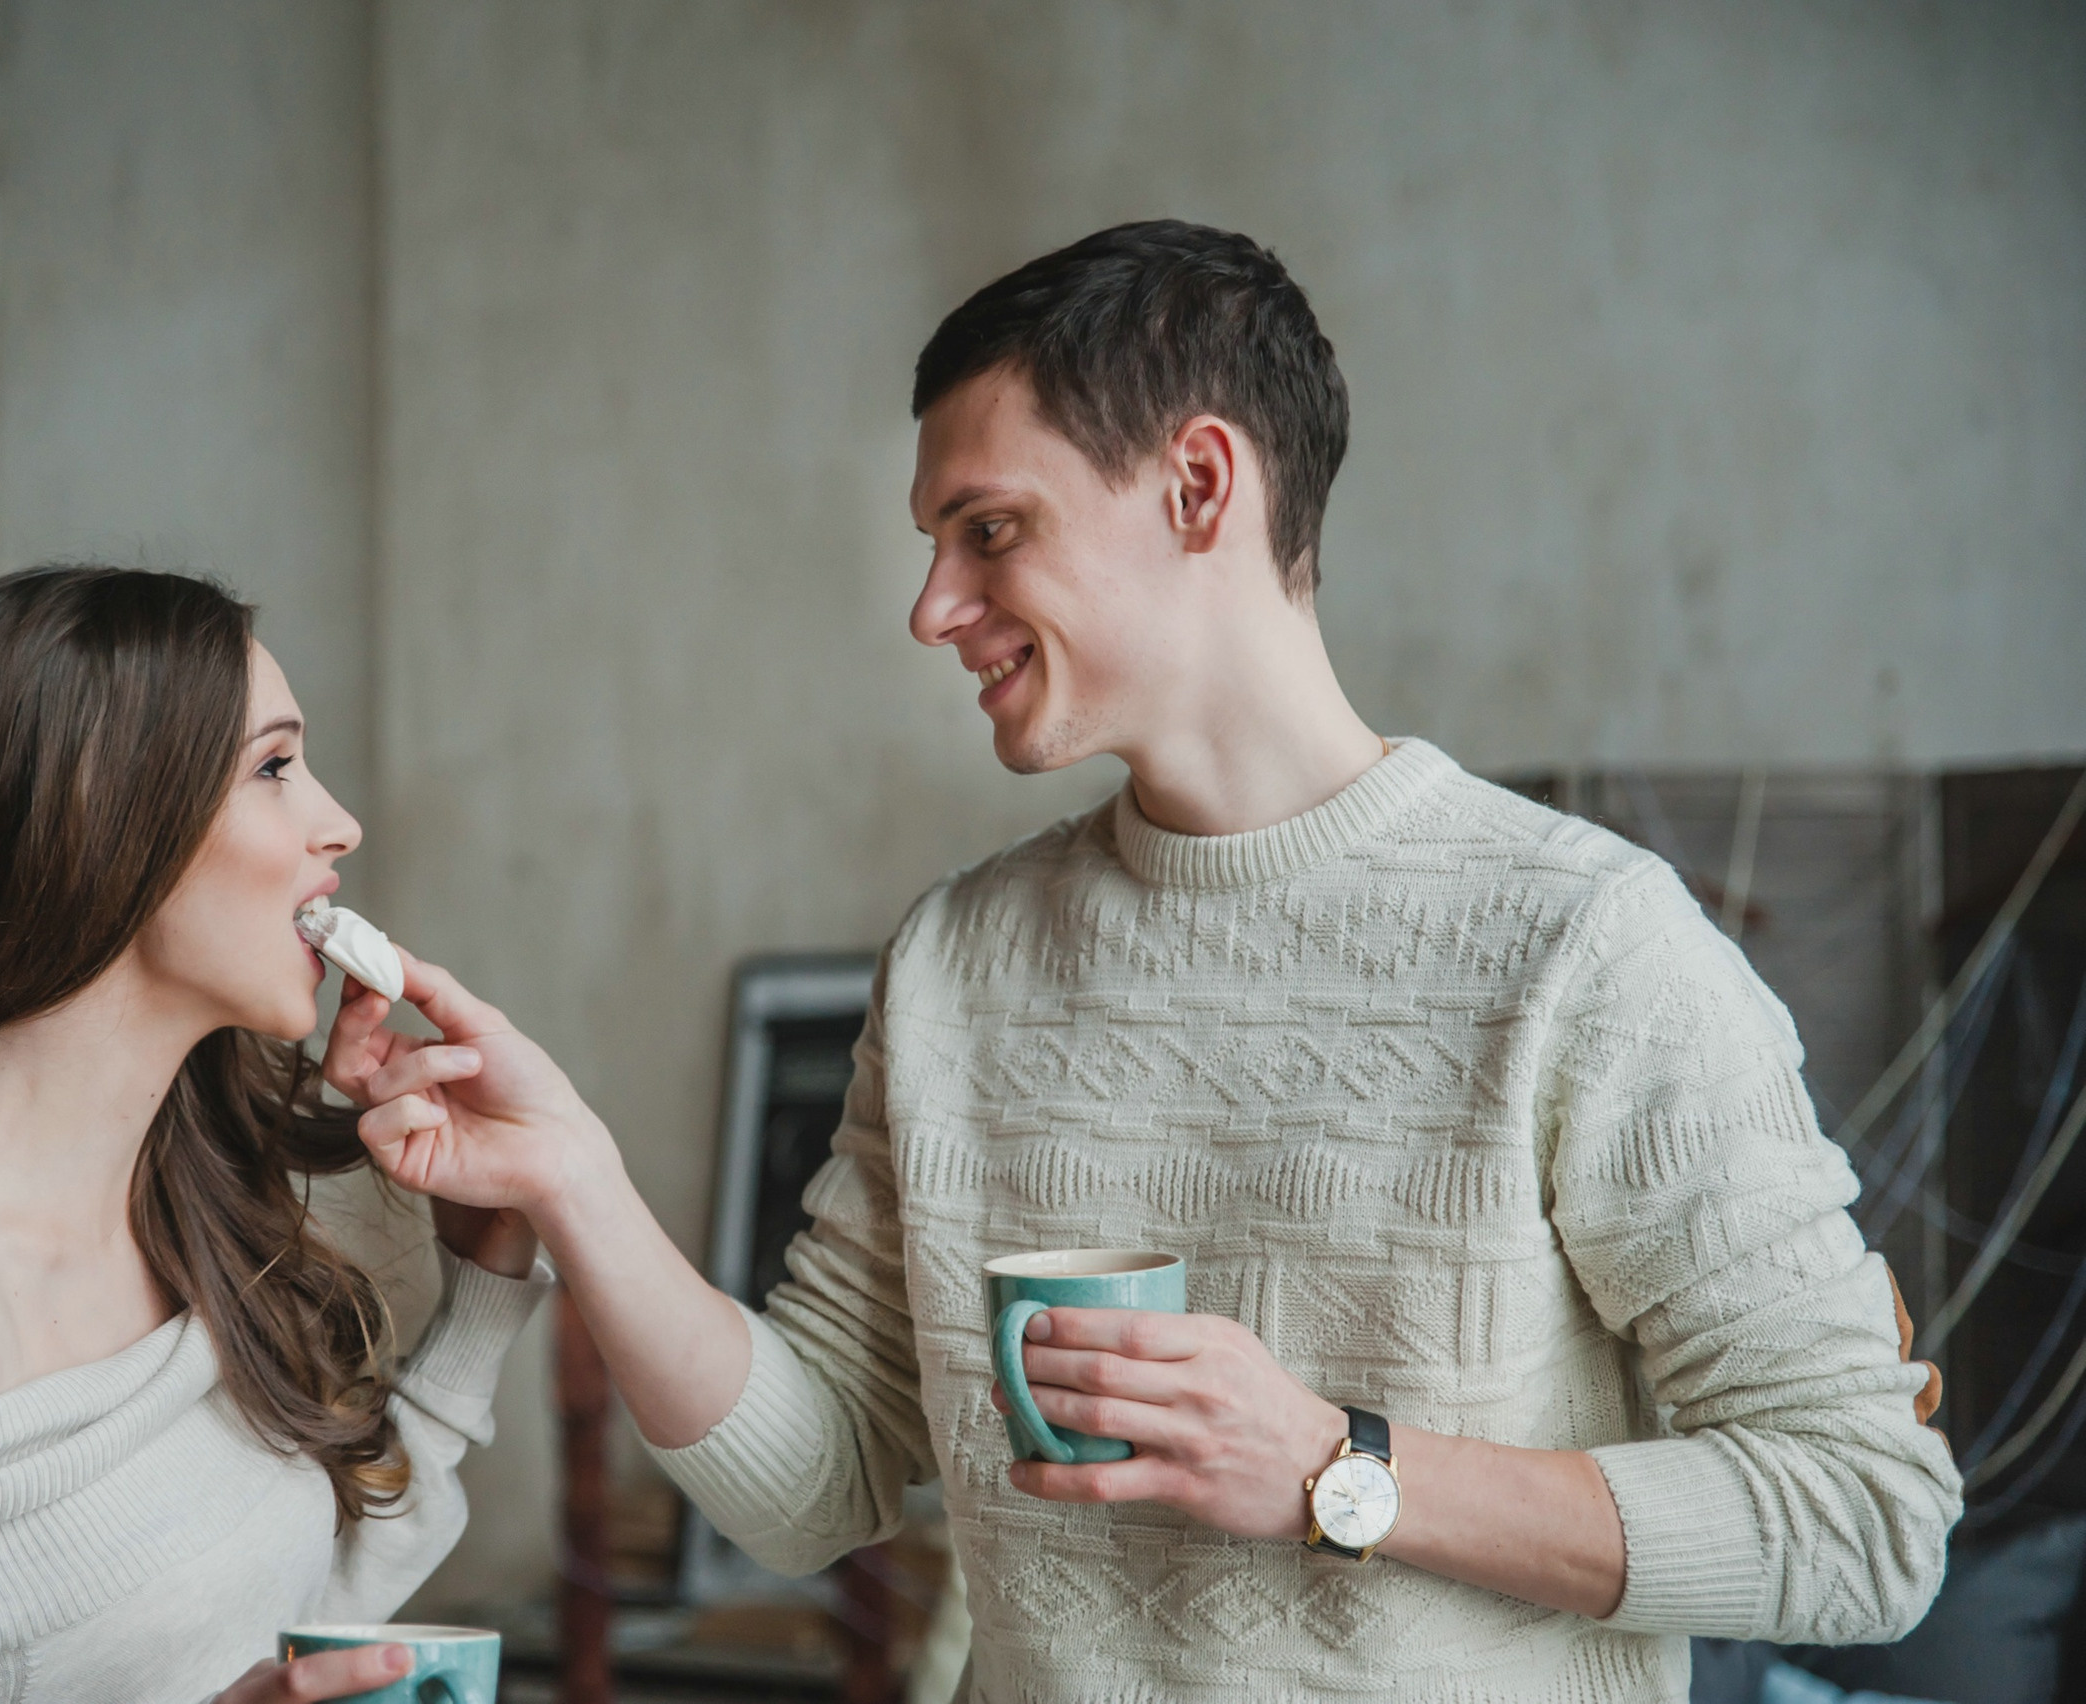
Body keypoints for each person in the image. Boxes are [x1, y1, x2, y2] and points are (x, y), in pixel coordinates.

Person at [340, 222, 1962, 1701]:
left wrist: (1338, 1465)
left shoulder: (1583, 945)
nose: (930, 607)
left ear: (1200, 486)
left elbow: (1867, 1512)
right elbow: (809, 1483)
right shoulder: (957, 961)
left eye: (989, 529)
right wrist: (578, 1181)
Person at [0, 567, 547, 1703]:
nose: (337, 822)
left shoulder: (167, 1196)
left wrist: (483, 1278)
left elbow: (269, 1620)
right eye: (275, 768)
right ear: (105, 820)